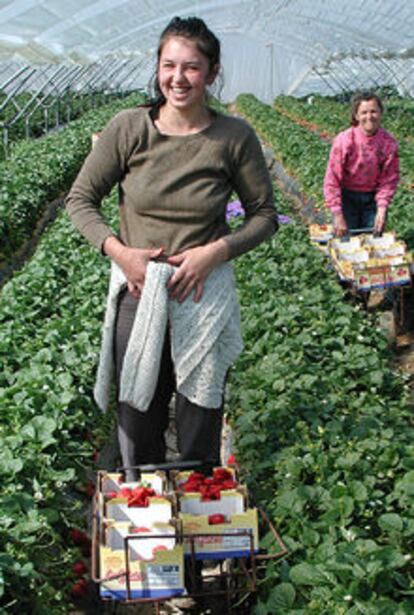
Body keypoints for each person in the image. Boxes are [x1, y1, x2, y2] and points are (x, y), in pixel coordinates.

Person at [65, 16, 278, 479]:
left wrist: (214, 253)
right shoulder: (128, 129)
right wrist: (120, 252)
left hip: (202, 296)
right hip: (139, 294)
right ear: (158, 68)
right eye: (169, 65)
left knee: (200, 414)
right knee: (139, 410)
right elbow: (79, 199)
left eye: (192, 67)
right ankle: (146, 519)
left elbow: (264, 214)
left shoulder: (233, 137)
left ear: (213, 73)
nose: (178, 78)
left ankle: (200, 521)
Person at [323, 91, 399, 237]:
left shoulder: (388, 143)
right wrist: (338, 214)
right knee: (346, 240)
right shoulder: (345, 140)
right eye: (364, 112)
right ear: (356, 116)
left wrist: (382, 210)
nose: (369, 116)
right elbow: (332, 179)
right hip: (347, 198)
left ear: (381, 113)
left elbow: (389, 179)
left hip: (373, 199)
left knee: (374, 240)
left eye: (373, 111)